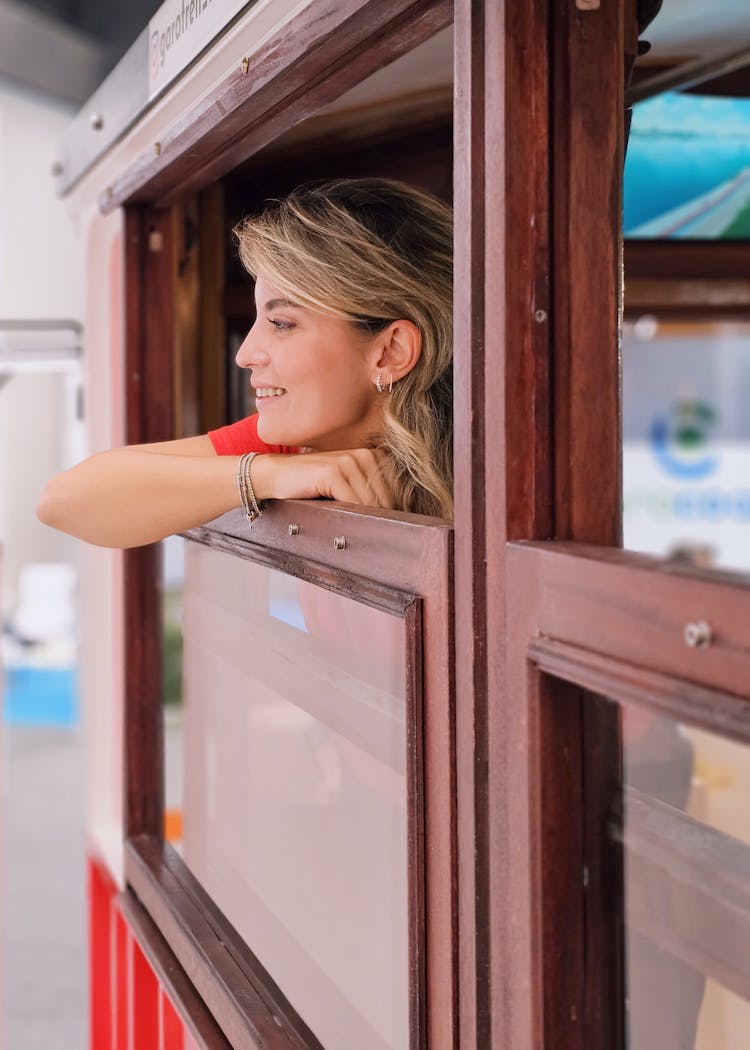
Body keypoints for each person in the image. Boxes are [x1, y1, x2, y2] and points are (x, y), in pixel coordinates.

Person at [37, 178, 453, 548]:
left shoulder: (487, 482)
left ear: (390, 352)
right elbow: (65, 501)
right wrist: (268, 475)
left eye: (282, 323)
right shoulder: (296, 447)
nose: (244, 354)